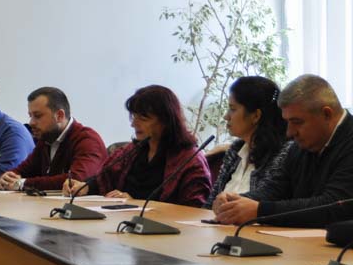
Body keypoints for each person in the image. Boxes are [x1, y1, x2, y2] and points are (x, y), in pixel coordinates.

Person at [215, 74, 353, 227]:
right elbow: (275, 191)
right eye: (287, 122)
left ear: (327, 114)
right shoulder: (301, 147)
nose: (289, 132)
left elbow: (336, 206)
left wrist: (260, 211)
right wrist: (234, 203)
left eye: (297, 122)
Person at [64, 85, 211, 207]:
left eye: (143, 118)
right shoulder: (131, 151)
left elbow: (193, 209)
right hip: (124, 224)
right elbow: (103, 180)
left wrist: (135, 203)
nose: (134, 124)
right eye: (134, 116)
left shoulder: (190, 159)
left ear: (166, 120)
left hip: (165, 230)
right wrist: (84, 187)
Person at [0, 87, 107, 192]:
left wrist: (23, 183)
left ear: (59, 116)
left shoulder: (88, 140)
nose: (31, 122)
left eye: (37, 116)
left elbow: (76, 180)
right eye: (30, 116)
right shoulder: (46, 139)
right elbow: (22, 171)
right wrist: (6, 178)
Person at [206, 76, 290, 210]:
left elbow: (267, 200)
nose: (226, 116)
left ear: (256, 115)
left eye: (233, 109)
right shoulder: (235, 151)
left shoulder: (283, 154)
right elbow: (210, 205)